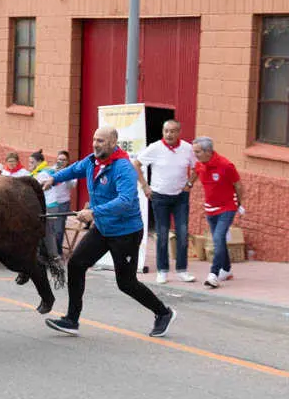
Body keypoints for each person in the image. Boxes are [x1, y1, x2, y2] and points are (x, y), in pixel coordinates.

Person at [41, 127, 176, 338]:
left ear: (113, 143)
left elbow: (125, 201)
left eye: (101, 141)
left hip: (125, 232)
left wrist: (93, 212)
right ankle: (71, 319)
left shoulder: (123, 168)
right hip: (103, 228)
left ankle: (163, 313)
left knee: (126, 283)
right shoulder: (92, 161)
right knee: (76, 264)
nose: (96, 144)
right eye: (95, 139)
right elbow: (75, 168)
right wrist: (54, 179)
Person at [134, 120, 197, 284]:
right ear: (163, 132)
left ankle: (182, 270)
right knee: (162, 234)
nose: (169, 134)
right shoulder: (155, 147)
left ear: (179, 132)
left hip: (180, 197)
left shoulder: (187, 148)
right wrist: (145, 186)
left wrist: (190, 183)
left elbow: (198, 167)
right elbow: (136, 164)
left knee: (182, 233)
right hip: (159, 196)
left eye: (173, 131)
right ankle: (162, 270)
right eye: (166, 131)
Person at [191, 136, 243, 289]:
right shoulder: (200, 164)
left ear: (208, 151)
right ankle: (226, 270)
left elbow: (238, 185)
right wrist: (188, 183)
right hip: (210, 208)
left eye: (198, 152)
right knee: (218, 239)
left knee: (218, 238)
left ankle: (213, 274)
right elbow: (195, 172)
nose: (196, 155)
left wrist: (239, 203)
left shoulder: (226, 165)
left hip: (227, 208)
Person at [45, 150, 76, 255]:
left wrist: (64, 175)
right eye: (59, 159)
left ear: (67, 161)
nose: (61, 162)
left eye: (63, 160)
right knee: (49, 230)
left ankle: (57, 254)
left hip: (63, 203)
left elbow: (71, 186)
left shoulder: (71, 171)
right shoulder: (51, 171)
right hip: (51, 203)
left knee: (58, 230)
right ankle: (48, 253)